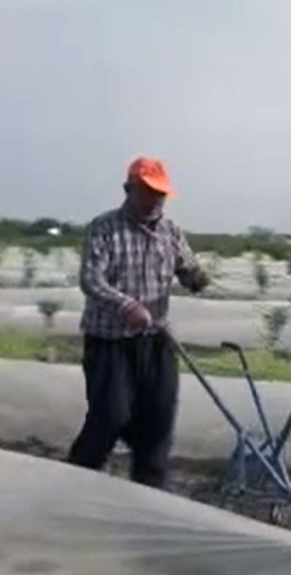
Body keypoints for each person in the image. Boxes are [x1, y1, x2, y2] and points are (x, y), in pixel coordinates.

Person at [65, 156, 210, 488]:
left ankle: (148, 498)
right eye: (147, 192)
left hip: (155, 340)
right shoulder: (104, 229)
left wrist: (196, 278)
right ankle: (71, 486)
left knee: (158, 422)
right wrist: (126, 305)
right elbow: (91, 280)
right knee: (110, 417)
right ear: (129, 189)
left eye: (160, 194)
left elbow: (186, 267)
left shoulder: (170, 232)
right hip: (110, 342)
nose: (155, 201)